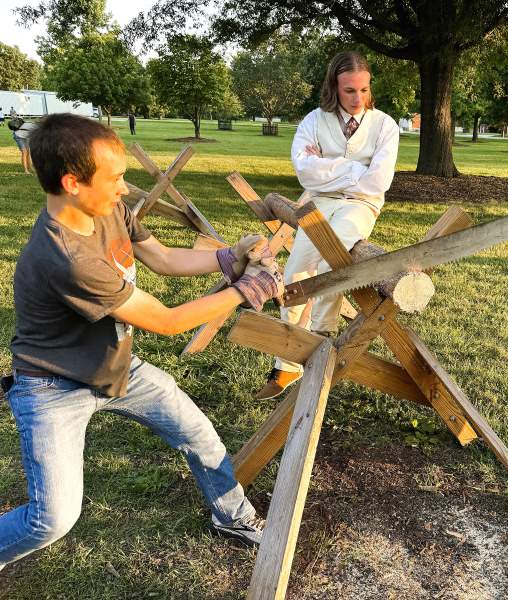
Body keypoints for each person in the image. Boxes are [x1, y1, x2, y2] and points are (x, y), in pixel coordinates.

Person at [0, 113, 283, 570]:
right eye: (114, 177)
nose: (124, 186)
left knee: (198, 433)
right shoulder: (66, 258)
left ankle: (232, 517)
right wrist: (245, 290)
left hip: (115, 367)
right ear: (73, 182)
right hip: (52, 389)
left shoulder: (108, 209)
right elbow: (168, 321)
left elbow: (164, 258)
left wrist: (229, 257)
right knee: (51, 519)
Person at [256, 51, 400, 399]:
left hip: (360, 207)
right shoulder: (314, 121)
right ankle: (287, 365)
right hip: (317, 204)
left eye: (364, 90)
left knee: (328, 265)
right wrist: (353, 169)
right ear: (334, 87)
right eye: (350, 91)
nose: (358, 98)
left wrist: (331, 169)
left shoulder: (385, 126)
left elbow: (377, 183)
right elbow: (305, 170)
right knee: (294, 274)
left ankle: (320, 348)